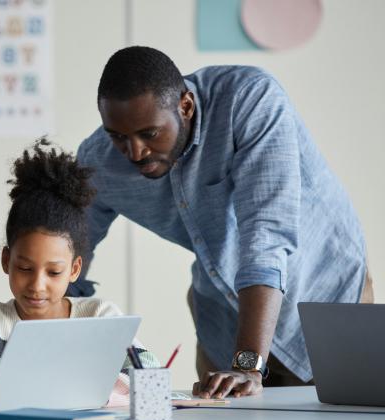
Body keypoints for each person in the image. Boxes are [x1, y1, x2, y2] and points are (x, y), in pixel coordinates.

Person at [72, 46, 372, 399]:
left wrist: (246, 366)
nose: (134, 152)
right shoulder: (99, 160)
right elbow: (66, 253)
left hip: (323, 303)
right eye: (118, 136)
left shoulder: (248, 100)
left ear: (185, 106)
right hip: (221, 320)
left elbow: (266, 239)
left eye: (149, 134)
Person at [0, 141, 159, 406]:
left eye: (54, 272)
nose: (37, 285)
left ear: (75, 269)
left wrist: (72, 390)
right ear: (6, 260)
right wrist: (21, 385)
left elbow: (150, 371)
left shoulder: (100, 317)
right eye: (24, 268)